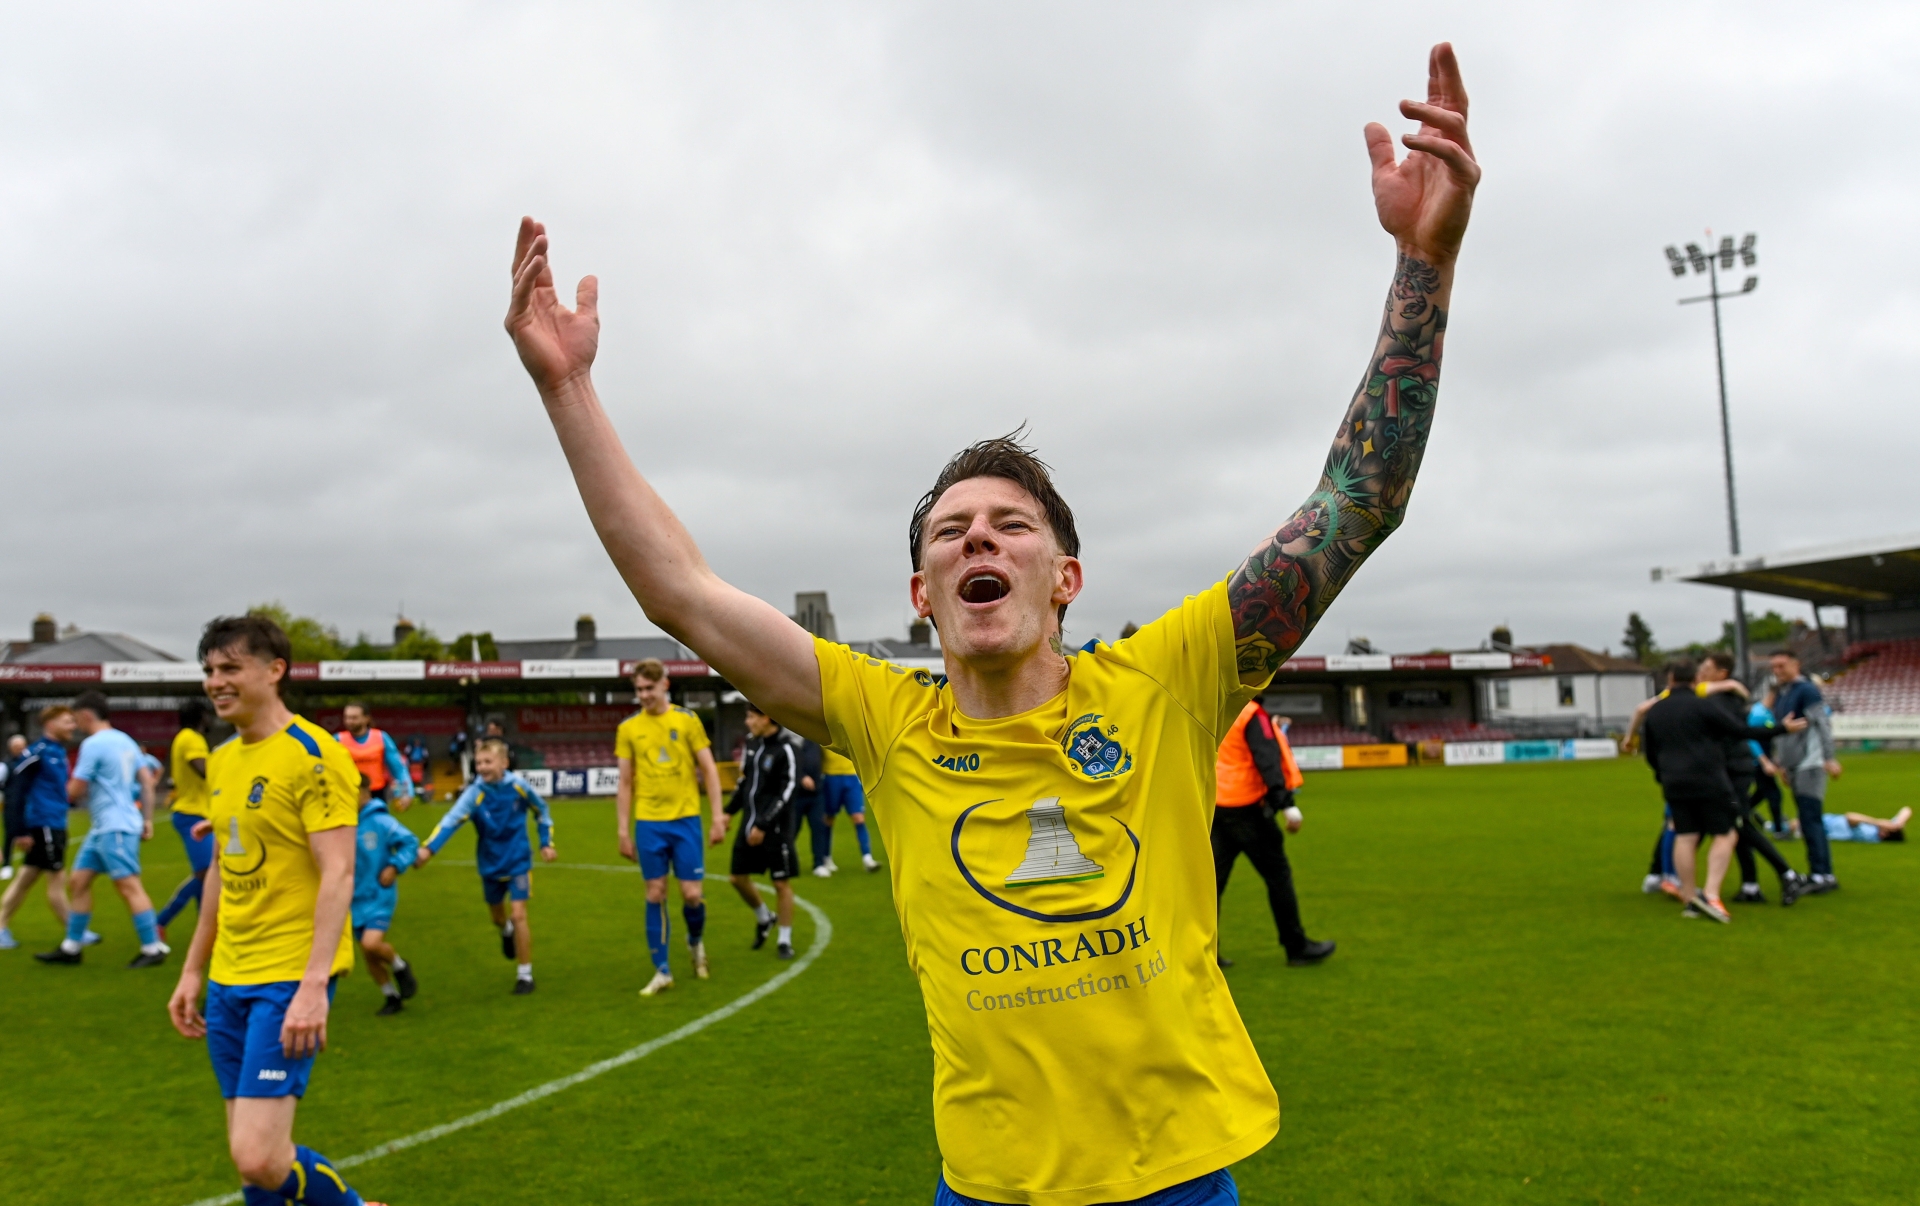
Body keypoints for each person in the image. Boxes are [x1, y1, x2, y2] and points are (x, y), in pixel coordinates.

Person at [505, 41, 1477, 1203]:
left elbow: (1356, 502)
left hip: (1176, 1181)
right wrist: (568, 389)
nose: (978, 540)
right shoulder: (884, 720)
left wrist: (1425, 262)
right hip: (987, 1186)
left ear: (1066, 576)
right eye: (950, 531)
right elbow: (680, 592)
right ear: (922, 595)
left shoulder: (1169, 680)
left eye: (1012, 526)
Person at [164, 614, 385, 1206]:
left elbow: (339, 872)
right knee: (251, 1159)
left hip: (287, 975)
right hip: (229, 976)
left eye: (231, 668)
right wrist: (192, 969)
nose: (216, 682)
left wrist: (314, 986)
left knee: (259, 1156)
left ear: (275, 671)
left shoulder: (315, 755)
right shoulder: (223, 759)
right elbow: (220, 870)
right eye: (210, 670)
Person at [1638, 661, 1800, 924]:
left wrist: (1662, 774)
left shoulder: (1656, 711)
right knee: (1726, 833)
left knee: (1685, 836)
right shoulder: (1703, 706)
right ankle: (1711, 895)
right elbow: (1740, 731)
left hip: (1673, 781)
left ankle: (1689, 897)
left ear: (1670, 680)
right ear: (1695, 680)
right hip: (1709, 779)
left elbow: (1650, 751)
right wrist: (1782, 728)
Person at [614, 658, 725, 995]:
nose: (644, 695)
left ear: (665, 685)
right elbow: (625, 782)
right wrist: (623, 831)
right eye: (639, 690)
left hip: (686, 820)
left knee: (692, 895)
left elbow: (709, 770)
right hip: (649, 822)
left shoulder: (687, 720)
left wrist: (717, 817)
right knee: (655, 892)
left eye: (649, 688)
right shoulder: (628, 728)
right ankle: (662, 970)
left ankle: (695, 942)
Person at [36, 691, 167, 967]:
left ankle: (152, 947)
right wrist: (146, 820)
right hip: (106, 826)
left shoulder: (93, 744)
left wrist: (44, 794)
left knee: (128, 885)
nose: (75, 725)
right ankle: (72, 947)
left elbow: (76, 788)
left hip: (114, 826)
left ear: (86, 715)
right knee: (79, 881)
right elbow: (147, 781)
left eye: (76, 718)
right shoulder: (126, 740)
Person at [415, 738, 555, 994]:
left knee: (519, 914)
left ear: (504, 763)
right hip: (490, 862)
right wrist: (428, 849)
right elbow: (451, 821)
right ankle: (505, 930)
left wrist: (546, 843)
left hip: (518, 860)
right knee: (498, 918)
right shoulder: (474, 793)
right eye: (478, 763)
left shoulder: (519, 787)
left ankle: (525, 975)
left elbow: (542, 811)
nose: (482, 767)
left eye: (488, 762)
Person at [1213, 703, 1335, 968]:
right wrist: (1286, 803)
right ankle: (1296, 946)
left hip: (1217, 805)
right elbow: (1266, 757)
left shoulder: (1215, 706)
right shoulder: (1250, 712)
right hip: (1248, 806)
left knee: (1211, 886)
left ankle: (1206, 953)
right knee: (1278, 876)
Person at [1695, 652, 1808, 907]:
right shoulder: (1723, 695)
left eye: (1706, 669)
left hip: (1734, 770)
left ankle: (1788, 874)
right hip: (1731, 768)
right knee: (1736, 825)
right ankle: (1751, 885)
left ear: (1721, 673)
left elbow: (1741, 731)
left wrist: (1780, 729)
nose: (1701, 673)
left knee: (1740, 823)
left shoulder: (1722, 701)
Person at [0, 709, 80, 949]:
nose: (73, 726)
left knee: (25, 878)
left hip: (54, 821)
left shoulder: (57, 752)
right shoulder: (37, 753)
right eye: (67, 722)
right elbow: (16, 791)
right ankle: (75, 932)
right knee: (56, 879)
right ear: (51, 724)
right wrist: (20, 830)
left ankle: (1, 927)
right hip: (44, 823)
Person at [725, 702, 799, 959]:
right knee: (737, 878)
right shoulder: (751, 744)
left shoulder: (787, 749)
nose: (748, 722)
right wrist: (728, 812)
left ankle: (784, 940)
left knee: (780, 883)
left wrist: (764, 824)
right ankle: (765, 917)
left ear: (766, 717)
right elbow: (744, 783)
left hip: (775, 830)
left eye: (751, 717)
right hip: (748, 825)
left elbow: (787, 791)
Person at [1766, 651, 1842, 893]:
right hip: (1795, 765)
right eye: (1774, 667)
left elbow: (1821, 723)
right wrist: (1782, 764)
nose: (1777, 671)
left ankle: (1823, 874)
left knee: (1810, 818)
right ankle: (1819, 872)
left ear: (1796, 664)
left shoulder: (1807, 690)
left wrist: (1828, 757)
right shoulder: (1783, 693)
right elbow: (1782, 733)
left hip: (1810, 762)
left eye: (1781, 665)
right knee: (1807, 818)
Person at [351, 775, 420, 1016]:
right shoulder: (342, 824)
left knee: (372, 943)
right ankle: (391, 996)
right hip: (353, 898)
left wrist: (394, 866)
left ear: (365, 792)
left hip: (379, 894)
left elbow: (410, 842)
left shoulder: (380, 821)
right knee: (368, 953)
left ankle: (399, 966)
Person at [156, 700, 217, 941]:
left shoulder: (184, 737)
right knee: (206, 873)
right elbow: (204, 770)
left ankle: (208, 928)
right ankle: (160, 922)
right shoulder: (192, 738)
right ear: (201, 717)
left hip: (198, 813)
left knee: (207, 873)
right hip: (192, 814)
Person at [335, 703, 414, 813]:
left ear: (366, 718)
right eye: (347, 718)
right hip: (348, 795)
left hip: (377, 794)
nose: (349, 721)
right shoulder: (337, 740)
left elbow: (398, 768)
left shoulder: (381, 738)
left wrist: (407, 793)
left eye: (354, 718)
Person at [820, 743, 881, 873]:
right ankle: (826, 857)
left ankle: (867, 858)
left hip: (852, 776)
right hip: (831, 776)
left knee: (858, 817)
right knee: (829, 819)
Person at [1, 732, 26, 880]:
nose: (19, 749)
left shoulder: (30, 763)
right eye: (17, 747)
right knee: (10, 834)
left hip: (27, 805)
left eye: (22, 746)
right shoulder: (5, 765)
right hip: (11, 805)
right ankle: (7, 865)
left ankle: (30, 865)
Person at [1821, 806, 1910, 844]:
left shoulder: (1869, 834)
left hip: (1825, 827)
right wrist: (1899, 824)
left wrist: (1877, 822)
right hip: (1827, 820)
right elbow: (1907, 810)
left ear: (1884, 834)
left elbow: (1850, 817)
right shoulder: (1880, 829)